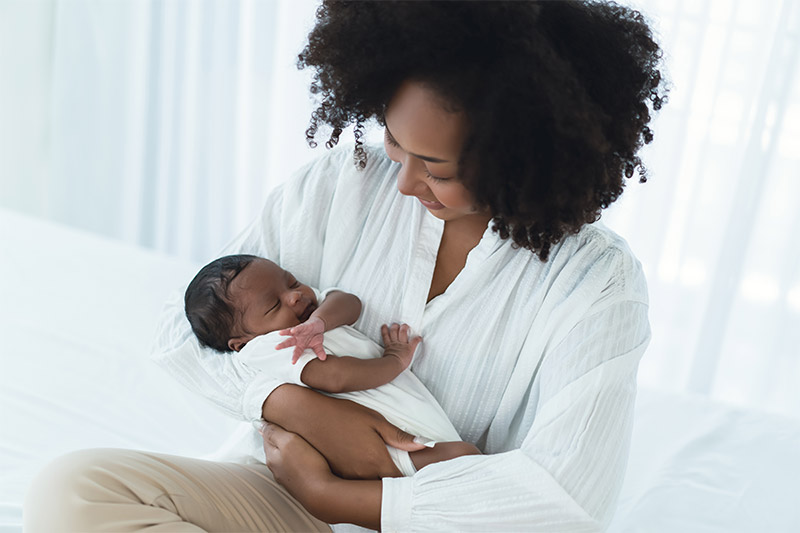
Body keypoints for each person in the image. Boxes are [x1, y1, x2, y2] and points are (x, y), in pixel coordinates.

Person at [25, 1, 667, 531]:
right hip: (282, 491)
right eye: (393, 137)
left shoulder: (596, 285)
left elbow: (565, 499)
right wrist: (294, 406)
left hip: (434, 518)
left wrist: (347, 499)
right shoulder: (349, 180)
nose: (404, 181)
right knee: (71, 492)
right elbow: (185, 332)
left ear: (522, 158)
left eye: (436, 168)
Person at [183, 254, 479, 477]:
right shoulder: (268, 347)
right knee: (464, 458)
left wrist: (320, 321)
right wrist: (393, 360)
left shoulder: (310, 315)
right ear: (242, 342)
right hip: (383, 446)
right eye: (274, 306)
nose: (295, 296)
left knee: (465, 460)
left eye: (291, 282)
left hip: (405, 423)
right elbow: (334, 377)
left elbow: (349, 302)